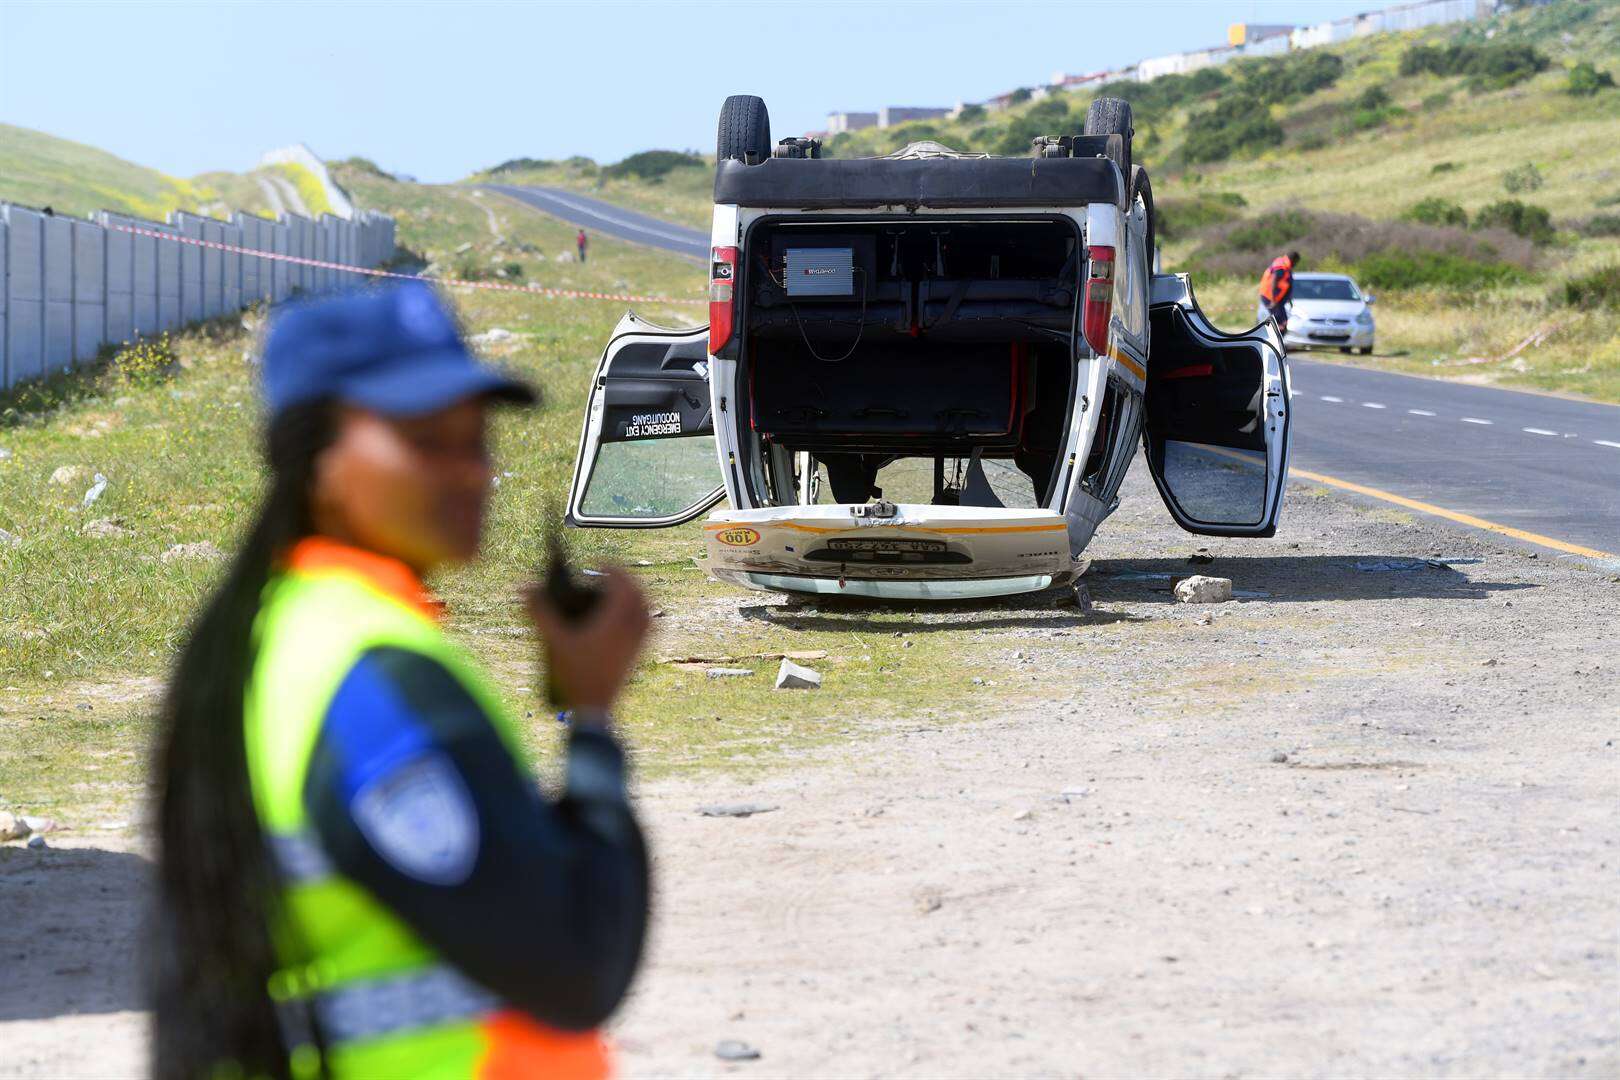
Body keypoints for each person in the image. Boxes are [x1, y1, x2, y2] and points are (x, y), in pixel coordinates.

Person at [150, 281, 651, 1079]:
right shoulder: (370, 677)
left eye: (477, 438)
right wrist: (591, 722)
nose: (474, 471)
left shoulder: (284, 631)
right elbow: (579, 963)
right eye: (426, 441)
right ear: (315, 464)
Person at [1258, 249, 1299, 338]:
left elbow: (1287, 285)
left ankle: (1279, 342)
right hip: (1270, 297)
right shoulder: (1282, 266)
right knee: (1279, 322)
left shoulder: (1286, 265)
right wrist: (1273, 300)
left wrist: (1289, 299)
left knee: (1283, 321)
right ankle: (1273, 342)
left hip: (1278, 300)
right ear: (1294, 260)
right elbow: (1274, 281)